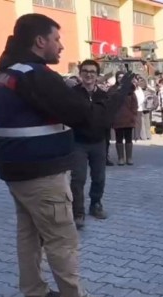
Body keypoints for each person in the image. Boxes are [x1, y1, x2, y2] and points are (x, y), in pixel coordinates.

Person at [0, 13, 134, 297]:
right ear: (40, 41)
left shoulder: (5, 73)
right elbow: (92, 120)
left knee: (29, 234)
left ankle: (35, 293)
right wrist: (121, 91)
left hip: (17, 171)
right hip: (41, 172)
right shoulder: (35, 75)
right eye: (57, 39)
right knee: (61, 238)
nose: (62, 46)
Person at [69, 60, 111, 229]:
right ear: (80, 74)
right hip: (78, 143)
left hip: (99, 142)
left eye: (92, 71)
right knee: (78, 179)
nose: (89, 74)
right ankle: (78, 212)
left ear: (97, 75)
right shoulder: (72, 94)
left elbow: (108, 117)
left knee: (99, 177)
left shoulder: (103, 95)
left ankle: (96, 204)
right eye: (85, 71)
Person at [111, 72, 138, 166]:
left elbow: (135, 105)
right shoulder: (113, 89)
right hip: (117, 118)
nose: (121, 79)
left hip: (128, 118)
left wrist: (133, 115)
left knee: (128, 138)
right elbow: (109, 101)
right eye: (119, 77)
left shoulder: (130, 90)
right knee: (119, 139)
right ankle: (121, 158)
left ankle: (129, 158)